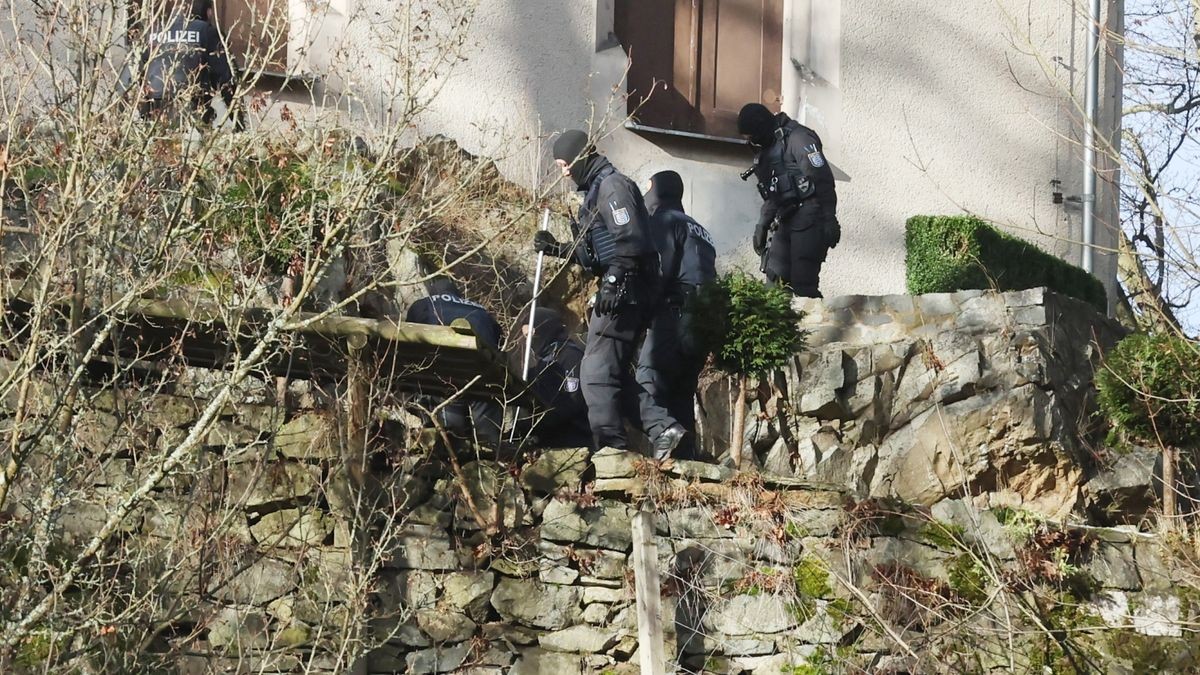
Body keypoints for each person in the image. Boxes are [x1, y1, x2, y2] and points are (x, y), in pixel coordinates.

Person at [532, 130, 662, 451]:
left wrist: (614, 282)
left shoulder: (613, 187)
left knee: (594, 372)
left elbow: (631, 241)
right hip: (622, 287)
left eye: (565, 164)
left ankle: (610, 450)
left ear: (581, 156)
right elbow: (597, 251)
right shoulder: (596, 191)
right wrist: (558, 249)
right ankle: (665, 429)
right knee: (612, 372)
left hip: (626, 290)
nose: (564, 171)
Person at [636, 170, 717, 460]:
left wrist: (641, 309)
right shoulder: (701, 230)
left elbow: (659, 270)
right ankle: (685, 458)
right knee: (682, 388)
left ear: (657, 190)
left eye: (648, 188)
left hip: (674, 313)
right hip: (702, 319)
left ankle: (665, 437)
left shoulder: (664, 221)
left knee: (650, 377)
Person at [737, 103, 840, 298]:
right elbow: (773, 194)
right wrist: (762, 225)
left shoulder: (798, 138)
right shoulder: (769, 150)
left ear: (761, 128)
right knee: (774, 286)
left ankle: (811, 326)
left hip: (811, 216)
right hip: (785, 219)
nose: (752, 142)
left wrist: (829, 218)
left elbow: (822, 178)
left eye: (752, 136)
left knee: (804, 286)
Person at [405, 276, 503, 448]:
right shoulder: (481, 311)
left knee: (450, 432)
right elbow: (498, 342)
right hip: (483, 380)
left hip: (442, 381)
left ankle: (451, 452)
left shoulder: (423, 305)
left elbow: (408, 344)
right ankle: (492, 453)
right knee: (488, 400)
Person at [136, 0, 238, 127]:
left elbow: (135, 70)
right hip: (189, 103)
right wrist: (238, 121)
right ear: (208, 11)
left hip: (151, 102)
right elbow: (225, 76)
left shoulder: (153, 30)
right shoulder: (206, 30)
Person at [508, 307, 591, 447]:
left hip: (575, 436)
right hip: (549, 435)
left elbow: (572, 403)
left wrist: (535, 423)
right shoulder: (542, 363)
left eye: (531, 335)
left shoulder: (570, 355)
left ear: (545, 329)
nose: (530, 342)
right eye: (526, 336)